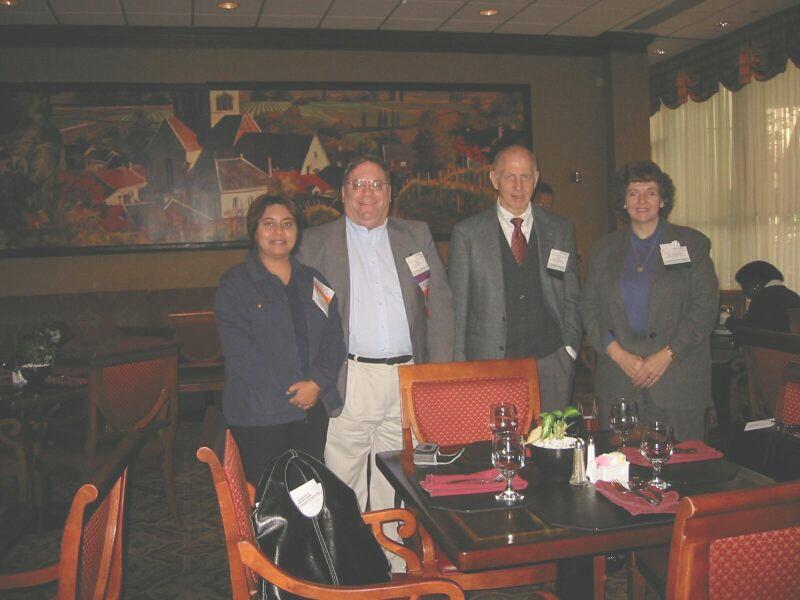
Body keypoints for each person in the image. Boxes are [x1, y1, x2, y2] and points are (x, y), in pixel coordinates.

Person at [296, 155, 453, 569]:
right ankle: (348, 570)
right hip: (351, 376)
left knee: (396, 482)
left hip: (406, 377)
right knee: (342, 481)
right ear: (343, 192)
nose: (368, 193)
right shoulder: (315, 241)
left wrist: (435, 376)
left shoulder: (415, 235)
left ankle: (394, 569)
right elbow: (301, 317)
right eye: (358, 185)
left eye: (377, 185)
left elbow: (441, 307)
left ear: (390, 193)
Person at [580, 160, 719, 441]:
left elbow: (704, 309)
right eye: (633, 193)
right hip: (620, 379)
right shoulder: (603, 250)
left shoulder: (692, 244)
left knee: (683, 474)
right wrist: (618, 354)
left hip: (678, 378)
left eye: (651, 192)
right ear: (623, 200)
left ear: (663, 199)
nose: (642, 200)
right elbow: (588, 309)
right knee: (621, 474)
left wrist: (666, 354)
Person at [214, 195, 346, 484]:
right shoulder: (235, 285)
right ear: (254, 230)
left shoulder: (315, 281)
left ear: (297, 231)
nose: (278, 232)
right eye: (269, 224)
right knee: (268, 504)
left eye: (287, 224)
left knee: (309, 498)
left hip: (311, 412)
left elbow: (333, 339)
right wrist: (292, 393)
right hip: (259, 414)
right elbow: (241, 353)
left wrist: (316, 383)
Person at [448, 145, 582, 412]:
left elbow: (572, 295)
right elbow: (458, 309)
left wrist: (569, 350)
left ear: (536, 178)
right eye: (510, 176)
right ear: (494, 179)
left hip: (551, 362)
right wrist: (462, 366)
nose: (518, 186)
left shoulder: (560, 229)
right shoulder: (468, 235)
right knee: (497, 448)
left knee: (550, 446)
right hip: (490, 363)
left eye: (526, 177)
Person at [724, 261, 800, 332]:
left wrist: (727, 319)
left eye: (744, 286)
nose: (743, 292)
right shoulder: (794, 296)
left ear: (756, 285)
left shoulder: (762, 299)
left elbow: (747, 330)